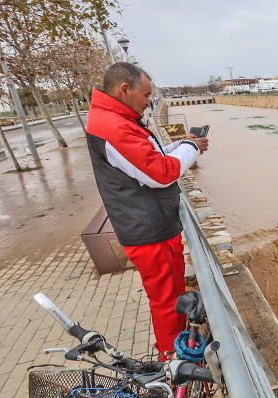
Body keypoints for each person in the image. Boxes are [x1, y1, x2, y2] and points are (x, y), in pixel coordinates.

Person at [85, 62, 209, 360]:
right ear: (123, 89)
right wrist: (191, 149)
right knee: (168, 301)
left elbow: (145, 159)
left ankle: (177, 349)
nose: (148, 102)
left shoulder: (112, 118)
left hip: (145, 226)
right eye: (146, 96)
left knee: (170, 295)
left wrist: (182, 143)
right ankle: (174, 360)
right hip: (150, 231)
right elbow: (160, 173)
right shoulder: (114, 126)